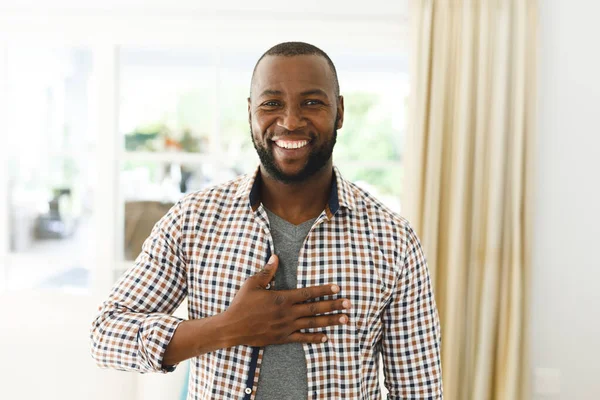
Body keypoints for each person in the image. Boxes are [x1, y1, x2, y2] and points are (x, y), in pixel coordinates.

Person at [90, 41, 443, 400]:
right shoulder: (192, 221)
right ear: (250, 112)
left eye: (312, 102)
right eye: (272, 103)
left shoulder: (393, 239)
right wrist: (227, 328)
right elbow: (106, 335)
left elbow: (419, 390)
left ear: (339, 112)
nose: (290, 121)